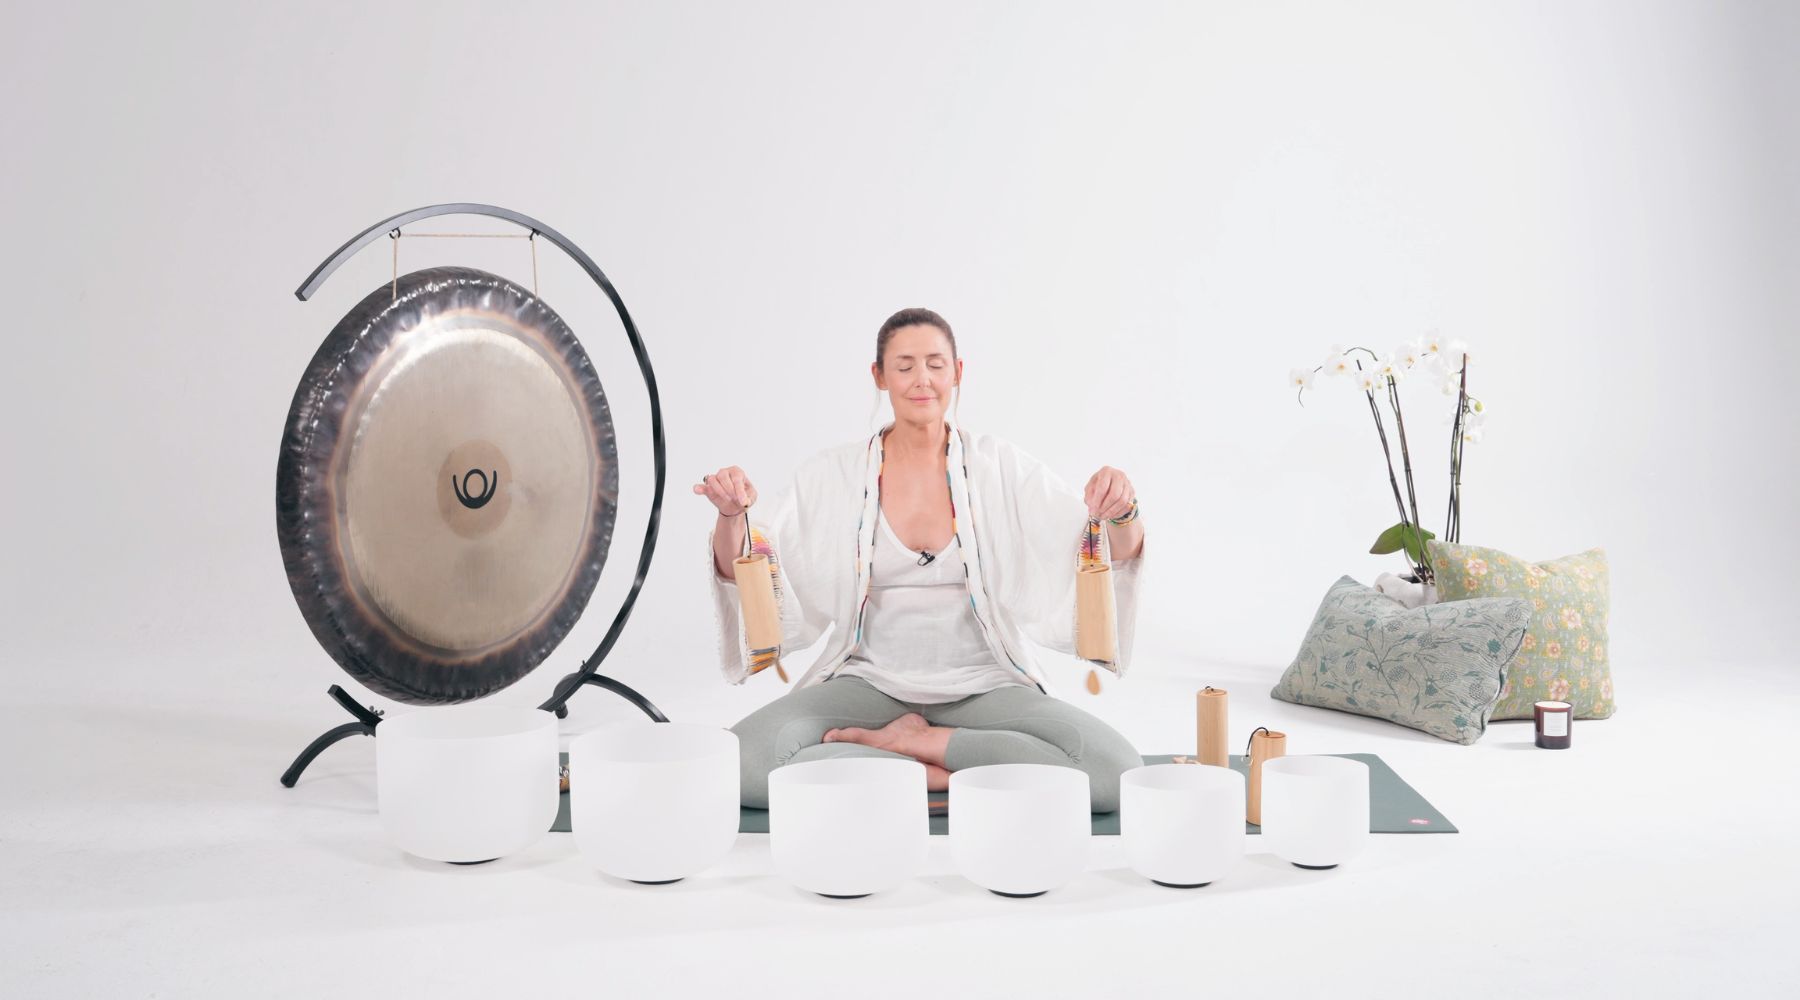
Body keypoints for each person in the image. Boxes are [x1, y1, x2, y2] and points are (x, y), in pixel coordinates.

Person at [696, 308, 1146, 811]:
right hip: (868, 684)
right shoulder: (836, 474)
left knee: (1116, 772)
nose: (922, 380)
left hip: (983, 685)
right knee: (736, 767)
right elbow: (751, 561)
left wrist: (1122, 510)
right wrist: (733, 515)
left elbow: (1105, 551)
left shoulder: (1001, 468)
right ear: (879, 376)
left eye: (935, 364)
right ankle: (955, 773)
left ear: (958, 372)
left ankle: (919, 749)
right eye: (905, 365)